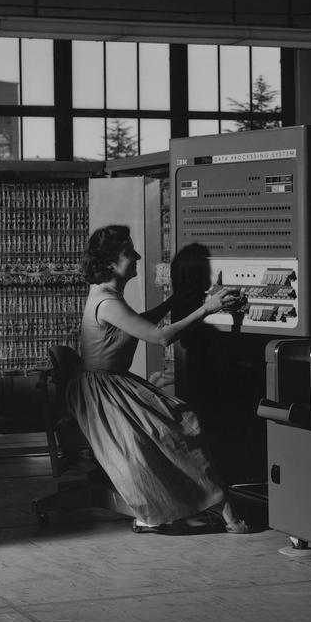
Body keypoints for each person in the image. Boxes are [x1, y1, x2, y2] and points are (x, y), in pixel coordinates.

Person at [67, 224, 251, 535]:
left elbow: (135, 325)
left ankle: (201, 502)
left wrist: (172, 303)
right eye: (129, 252)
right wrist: (207, 308)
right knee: (178, 424)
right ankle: (215, 504)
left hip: (106, 385)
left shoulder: (106, 294)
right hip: (104, 393)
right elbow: (160, 337)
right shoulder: (108, 302)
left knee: (175, 421)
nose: (137, 256)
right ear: (111, 262)